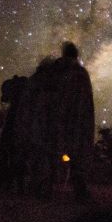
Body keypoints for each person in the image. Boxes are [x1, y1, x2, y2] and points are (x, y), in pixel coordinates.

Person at [18, 42, 95, 199]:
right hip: (77, 120)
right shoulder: (80, 73)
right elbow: (86, 101)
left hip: (55, 119)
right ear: (76, 55)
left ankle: (43, 189)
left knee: (49, 153)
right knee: (78, 156)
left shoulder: (54, 71)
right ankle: (80, 192)